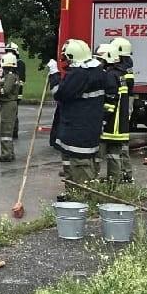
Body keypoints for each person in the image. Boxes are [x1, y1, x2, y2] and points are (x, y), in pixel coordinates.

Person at [47, 39, 108, 196]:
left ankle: (82, 203)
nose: (65, 62)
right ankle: (73, 196)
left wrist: (54, 74)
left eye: (66, 58)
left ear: (72, 56)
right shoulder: (96, 71)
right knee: (71, 165)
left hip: (78, 132)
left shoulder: (80, 75)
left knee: (81, 170)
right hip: (84, 129)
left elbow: (60, 93)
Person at [97, 44, 130, 183]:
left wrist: (103, 120)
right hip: (119, 124)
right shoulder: (120, 75)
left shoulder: (110, 76)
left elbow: (110, 101)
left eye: (100, 59)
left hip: (111, 124)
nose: (99, 62)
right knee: (114, 155)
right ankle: (114, 182)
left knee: (98, 154)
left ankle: (92, 180)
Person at [108, 35, 135, 183]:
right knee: (122, 143)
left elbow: (126, 87)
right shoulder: (127, 65)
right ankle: (126, 173)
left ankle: (125, 173)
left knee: (121, 143)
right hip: (126, 104)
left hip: (122, 106)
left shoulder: (121, 69)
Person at [0, 51, 20, 162]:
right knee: (8, 130)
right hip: (10, 103)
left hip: (8, 104)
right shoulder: (12, 75)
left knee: (6, 130)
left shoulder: (9, 76)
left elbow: (5, 90)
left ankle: (6, 154)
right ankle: (9, 152)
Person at [5, 41, 26, 138]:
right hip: (8, 92)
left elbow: (20, 80)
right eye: (7, 51)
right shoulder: (7, 62)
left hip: (16, 93)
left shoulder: (20, 63)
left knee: (13, 113)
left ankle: (14, 131)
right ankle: (9, 130)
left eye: (11, 51)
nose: (9, 53)